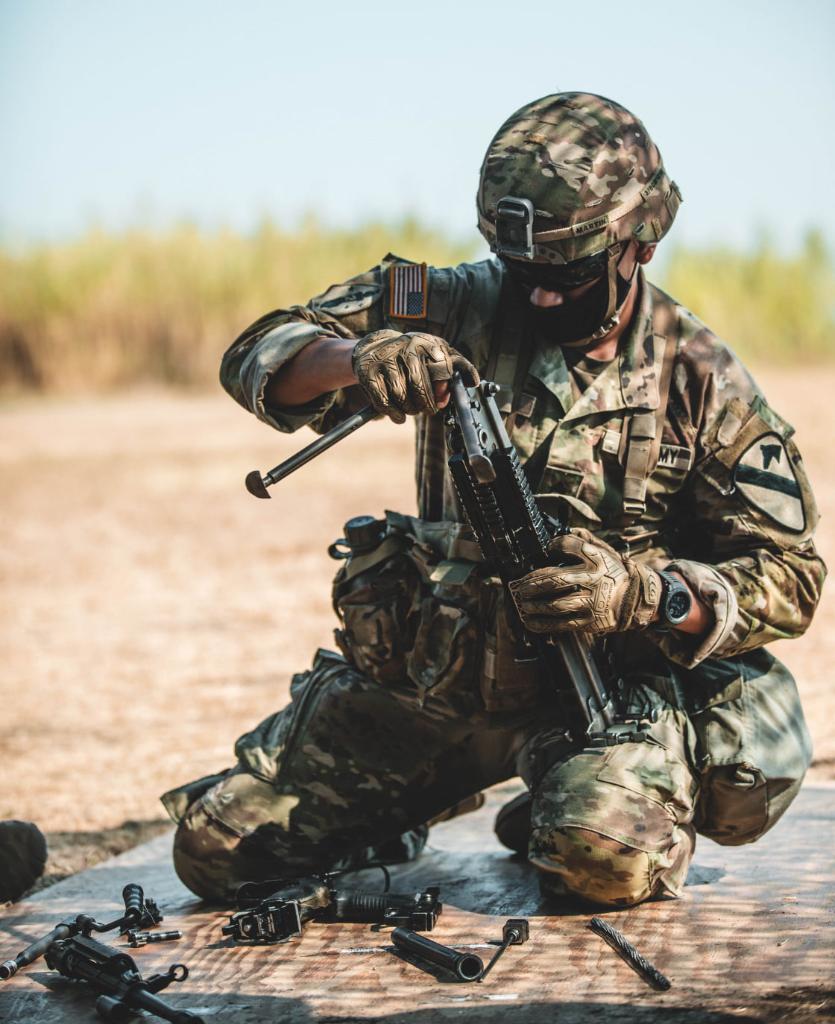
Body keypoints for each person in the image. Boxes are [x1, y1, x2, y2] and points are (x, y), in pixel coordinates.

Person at [162, 93, 825, 907]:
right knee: (217, 853)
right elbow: (259, 353)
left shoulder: (699, 379)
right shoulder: (441, 301)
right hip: (436, 683)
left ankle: (567, 793)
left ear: (640, 240)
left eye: (568, 275)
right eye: (524, 273)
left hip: (596, 700)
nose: (541, 298)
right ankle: (402, 809)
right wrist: (356, 356)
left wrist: (643, 592)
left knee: (598, 860)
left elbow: (789, 576)